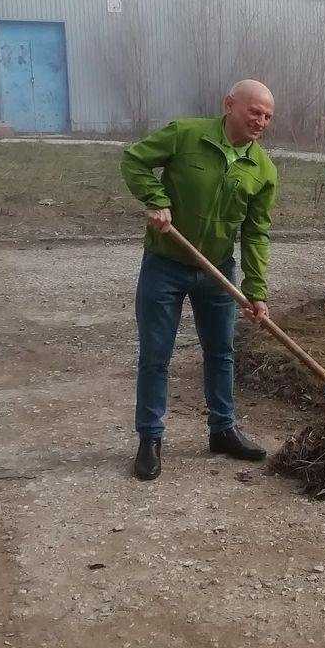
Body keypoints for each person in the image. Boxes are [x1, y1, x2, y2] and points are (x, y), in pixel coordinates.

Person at [120, 79, 279, 480]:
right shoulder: (186, 134)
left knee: (221, 352)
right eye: (254, 112)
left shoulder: (262, 170)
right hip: (166, 262)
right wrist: (156, 199)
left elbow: (257, 232)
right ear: (229, 105)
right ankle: (150, 438)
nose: (260, 121)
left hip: (218, 271)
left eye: (267, 116)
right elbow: (134, 160)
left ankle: (223, 430)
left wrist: (256, 290)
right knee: (156, 354)